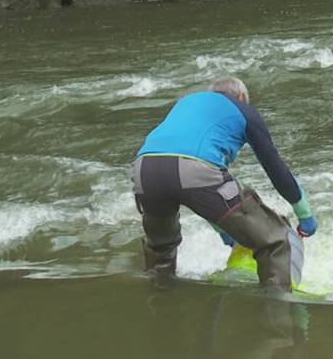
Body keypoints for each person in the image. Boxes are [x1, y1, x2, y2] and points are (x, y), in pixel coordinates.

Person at [130, 77, 317, 291]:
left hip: (143, 169)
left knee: (161, 250)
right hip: (195, 169)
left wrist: (224, 231)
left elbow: (186, 181)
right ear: (240, 97)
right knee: (274, 241)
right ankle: (277, 314)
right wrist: (304, 213)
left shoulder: (187, 103)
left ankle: (160, 307)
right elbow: (275, 169)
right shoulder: (243, 110)